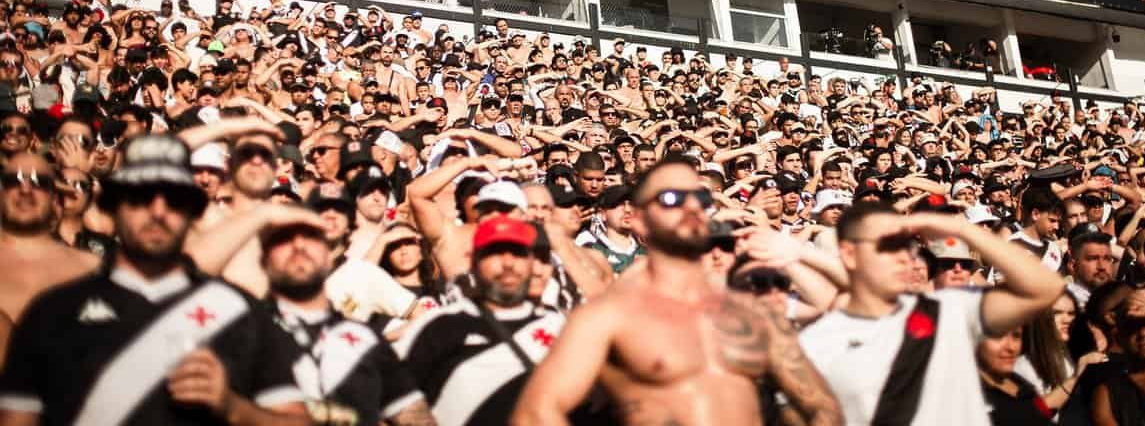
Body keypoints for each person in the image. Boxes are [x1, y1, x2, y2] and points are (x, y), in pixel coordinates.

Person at [0, 134, 309, 425]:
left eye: (174, 198)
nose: (158, 211)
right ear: (113, 207)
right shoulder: (53, 311)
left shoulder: (238, 311)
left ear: (192, 211)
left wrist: (233, 407)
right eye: (141, 196)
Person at [511, 159, 844, 426]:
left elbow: (820, 406)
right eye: (671, 199)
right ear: (639, 220)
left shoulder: (751, 311)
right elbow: (536, 413)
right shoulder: (610, 316)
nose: (690, 206)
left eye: (699, 197)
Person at [799, 200, 1065, 425]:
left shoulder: (950, 308)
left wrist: (962, 229)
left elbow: (1046, 288)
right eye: (888, 245)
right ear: (849, 254)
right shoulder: (816, 342)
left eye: (907, 245)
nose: (904, 257)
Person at [261, 216, 435, 425]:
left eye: (311, 238)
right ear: (263, 259)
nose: (299, 247)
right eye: (283, 240)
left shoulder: (365, 341)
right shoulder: (251, 331)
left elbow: (414, 414)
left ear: (329, 257)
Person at [394, 215, 565, 426]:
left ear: (532, 263)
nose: (508, 263)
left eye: (518, 253)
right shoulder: (438, 326)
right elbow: (390, 396)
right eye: (495, 253)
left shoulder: (561, 329)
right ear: (473, 262)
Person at [0, 152, 101, 328]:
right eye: (13, 181)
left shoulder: (92, 268)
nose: (25, 190)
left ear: (55, 201)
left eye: (39, 182)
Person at [976, 329, 1054, 425]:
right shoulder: (970, 395)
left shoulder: (1022, 383)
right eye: (998, 336)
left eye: (1016, 336)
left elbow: (1043, 414)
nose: (1011, 347)